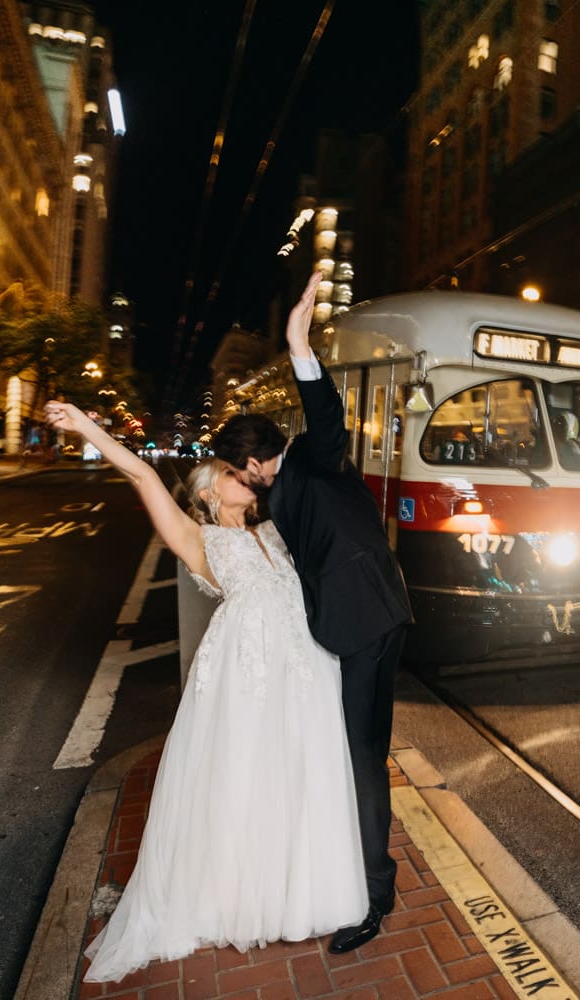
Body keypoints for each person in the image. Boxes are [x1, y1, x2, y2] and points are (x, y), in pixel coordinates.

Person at [43, 401, 368, 983]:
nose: (239, 475)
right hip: (247, 677)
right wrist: (89, 428)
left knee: (299, 775)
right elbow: (142, 473)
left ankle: (301, 893)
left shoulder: (275, 528)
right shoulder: (199, 539)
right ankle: (240, 897)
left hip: (304, 672)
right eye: (226, 471)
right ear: (211, 491)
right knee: (245, 777)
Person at [211, 270, 413, 955]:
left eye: (235, 473)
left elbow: (326, 419)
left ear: (252, 461)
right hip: (377, 615)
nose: (239, 484)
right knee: (364, 752)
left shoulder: (309, 462)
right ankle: (368, 874)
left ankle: (371, 897)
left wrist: (300, 342)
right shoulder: (291, 485)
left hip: (362, 623)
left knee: (359, 760)